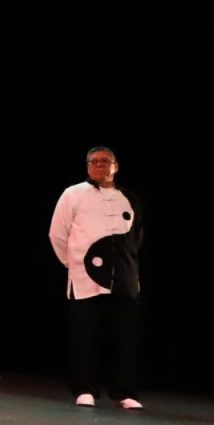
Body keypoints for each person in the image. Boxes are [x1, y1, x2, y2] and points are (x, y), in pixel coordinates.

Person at [49, 146, 143, 409]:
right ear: (87, 167)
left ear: (116, 165)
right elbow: (57, 234)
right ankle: (85, 388)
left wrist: (128, 266)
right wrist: (74, 264)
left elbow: (136, 237)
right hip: (86, 279)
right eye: (94, 161)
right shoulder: (73, 194)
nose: (100, 165)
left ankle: (125, 392)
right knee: (85, 336)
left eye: (105, 161)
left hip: (123, 279)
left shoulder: (129, 197)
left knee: (124, 337)